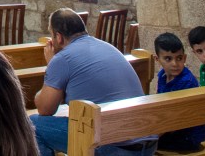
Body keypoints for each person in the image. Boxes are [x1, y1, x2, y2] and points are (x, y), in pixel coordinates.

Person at [31, 9, 156, 156]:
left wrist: (51, 65)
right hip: (146, 142)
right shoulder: (108, 47)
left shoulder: (62, 59)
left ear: (58, 37)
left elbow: (45, 109)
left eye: (51, 35)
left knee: (31, 124)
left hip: (115, 147)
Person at [153, 32, 205, 151]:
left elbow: (178, 119)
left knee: (144, 146)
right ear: (157, 59)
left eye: (179, 58)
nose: (175, 64)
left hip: (187, 136)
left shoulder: (187, 81)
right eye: (168, 59)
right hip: (170, 128)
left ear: (184, 58)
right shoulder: (162, 76)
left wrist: (153, 135)